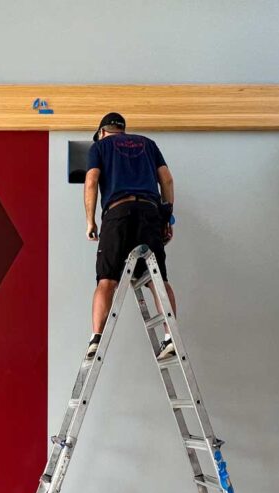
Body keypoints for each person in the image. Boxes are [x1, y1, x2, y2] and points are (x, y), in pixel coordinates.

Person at [84, 112, 176, 360]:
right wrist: (166, 217)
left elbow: (91, 181)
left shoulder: (100, 146)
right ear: (122, 130)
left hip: (118, 213)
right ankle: (170, 338)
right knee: (156, 279)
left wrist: (90, 220)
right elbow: (166, 180)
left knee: (107, 280)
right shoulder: (148, 144)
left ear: (102, 131)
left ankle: (96, 339)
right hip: (149, 212)